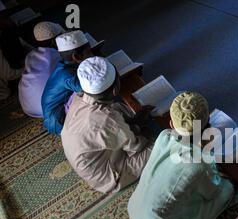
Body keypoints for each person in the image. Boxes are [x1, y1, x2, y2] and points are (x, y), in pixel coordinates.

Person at [127, 91, 236, 219]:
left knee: (166, 193)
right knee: (227, 190)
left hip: (134, 208)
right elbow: (211, 193)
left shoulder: (164, 136)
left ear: (171, 123)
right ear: (208, 127)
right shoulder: (199, 163)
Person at [61, 56, 152, 194]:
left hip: (91, 160)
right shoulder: (108, 119)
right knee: (161, 144)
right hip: (110, 178)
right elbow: (136, 148)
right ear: (115, 89)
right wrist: (143, 130)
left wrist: (134, 123)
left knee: (118, 108)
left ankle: (126, 132)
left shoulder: (78, 98)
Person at [41, 30, 93, 135]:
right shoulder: (68, 75)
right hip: (59, 121)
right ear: (77, 57)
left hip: (58, 113)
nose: (92, 54)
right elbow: (92, 92)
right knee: (94, 94)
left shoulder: (65, 66)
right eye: (89, 51)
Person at [18, 22, 64, 117]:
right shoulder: (57, 55)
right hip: (48, 108)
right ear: (53, 41)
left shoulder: (30, 55)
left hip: (28, 107)